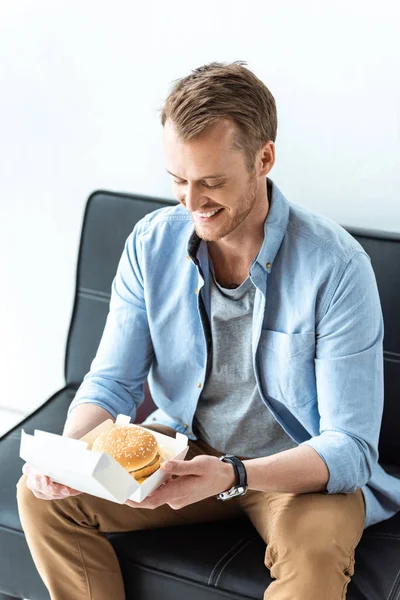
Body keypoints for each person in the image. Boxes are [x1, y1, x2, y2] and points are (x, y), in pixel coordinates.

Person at [17, 61, 400, 600]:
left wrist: (234, 474)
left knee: (313, 561)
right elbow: (109, 383)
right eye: (179, 181)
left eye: (212, 183)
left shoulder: (337, 268)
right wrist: (68, 459)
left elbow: (352, 447)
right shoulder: (151, 244)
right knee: (41, 499)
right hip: (182, 453)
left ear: (264, 158)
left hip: (296, 469)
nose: (192, 203)